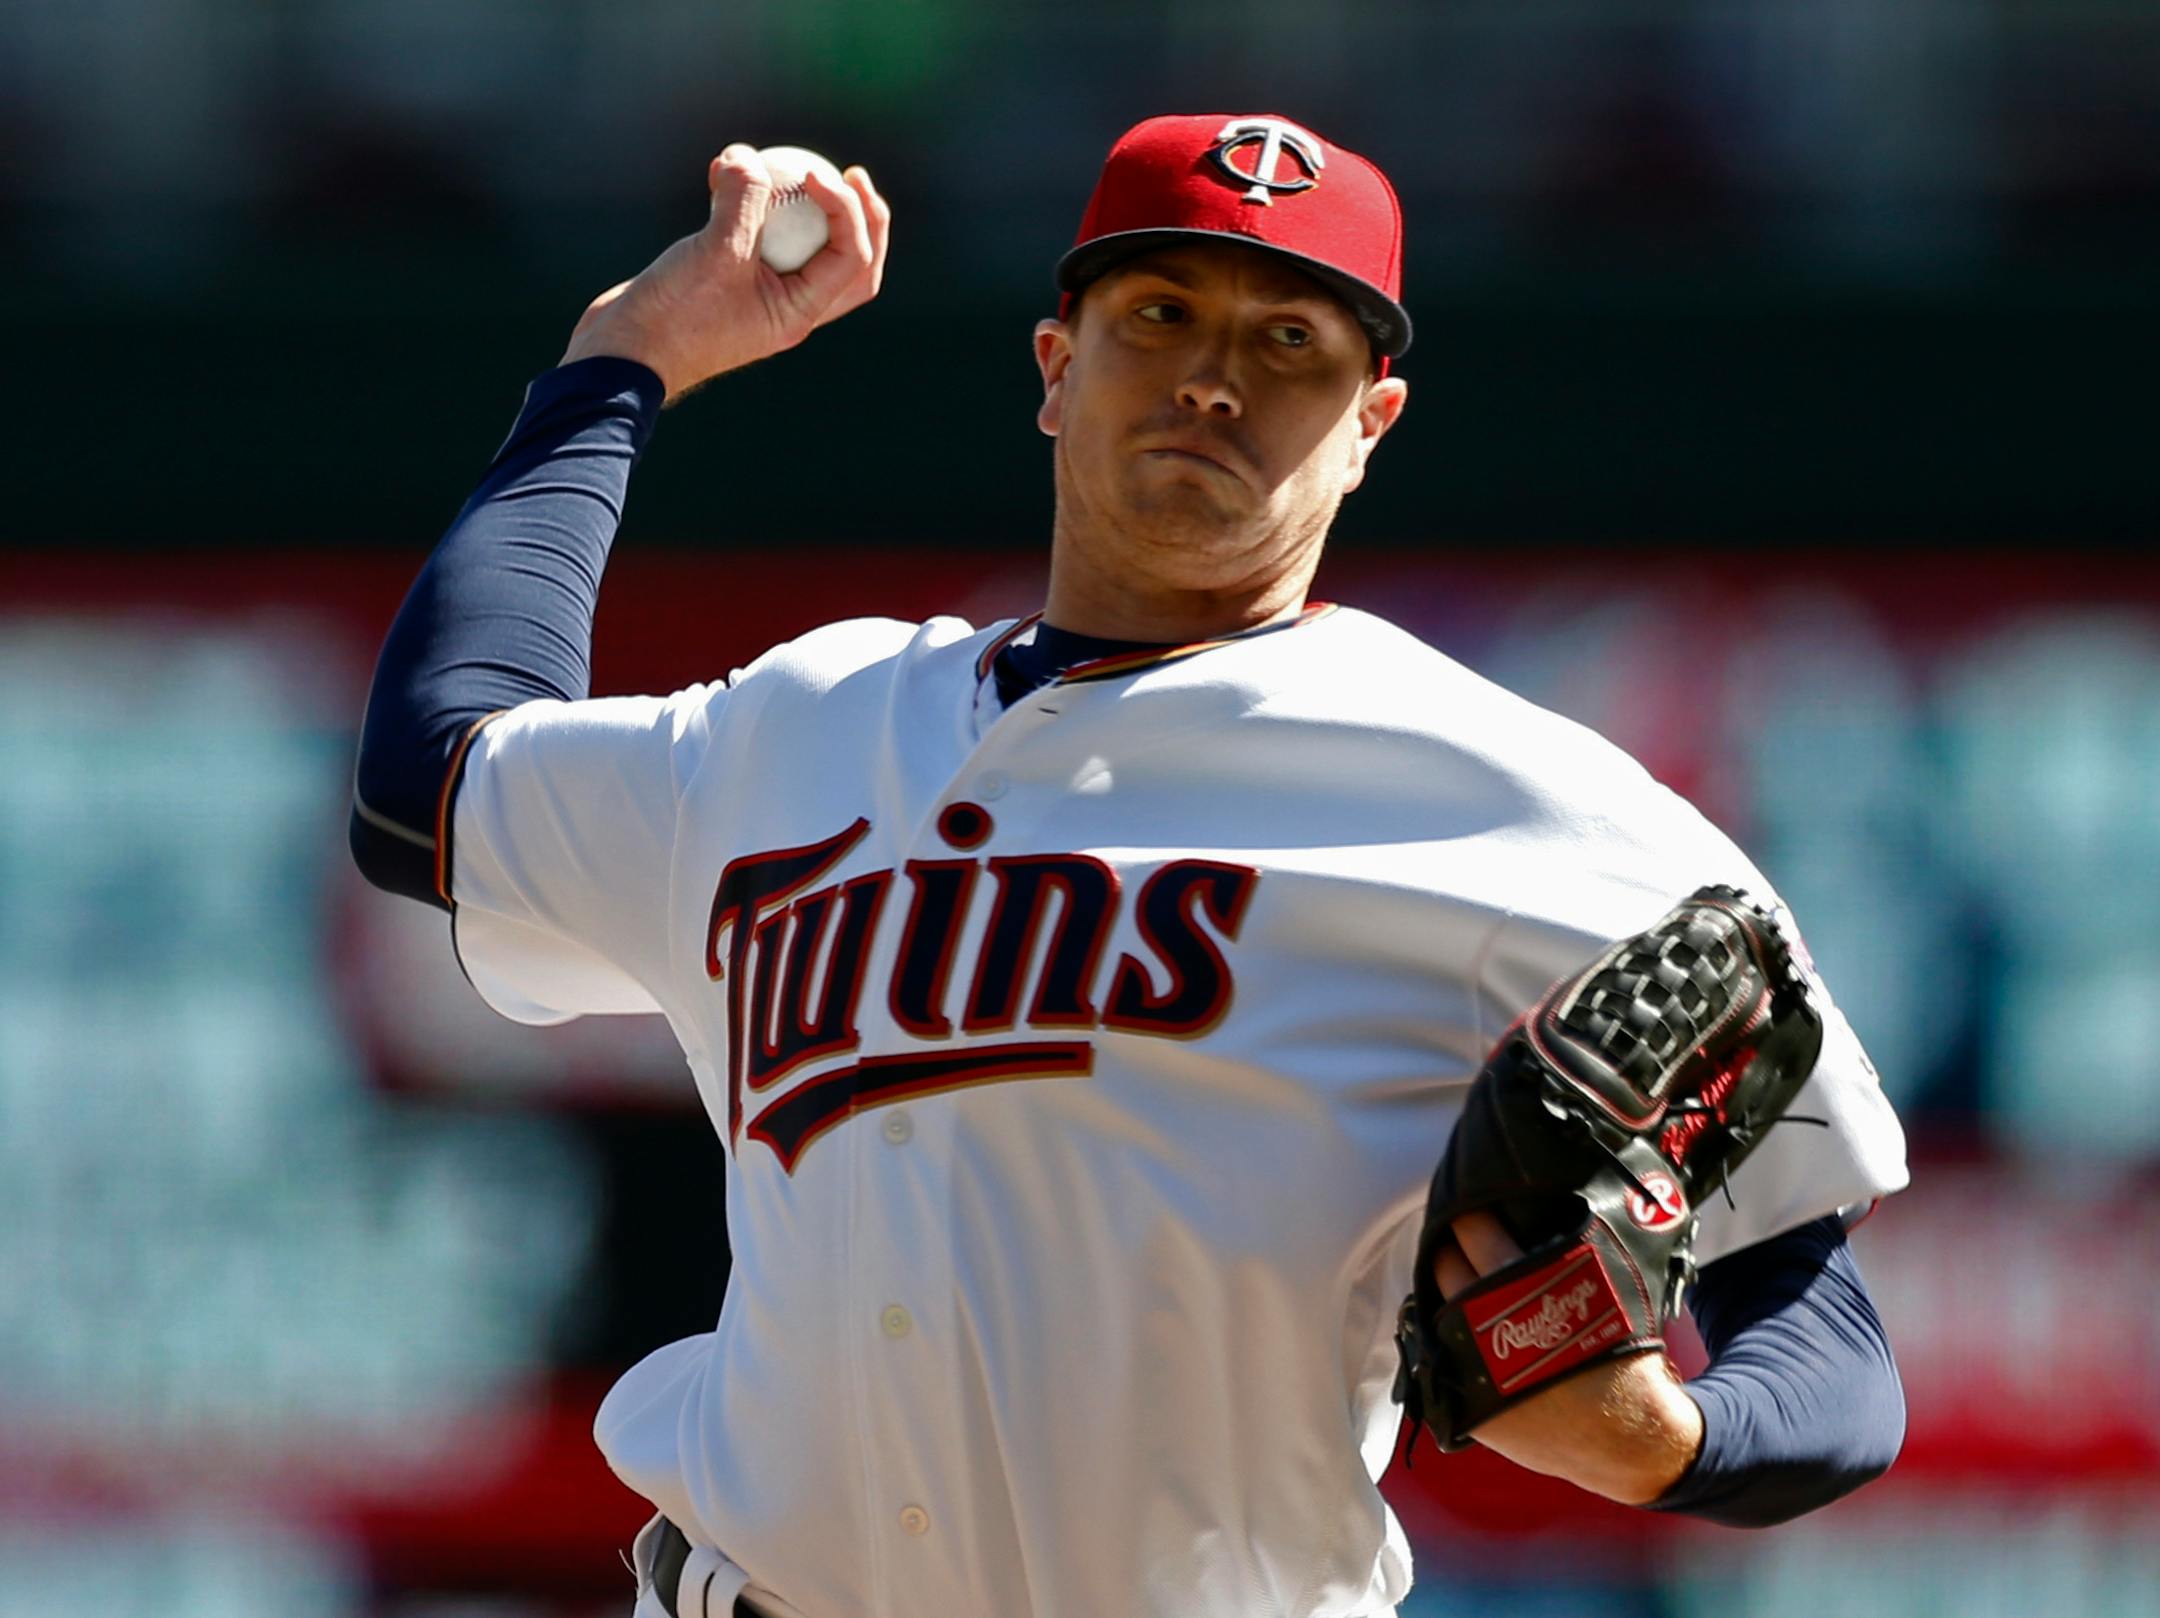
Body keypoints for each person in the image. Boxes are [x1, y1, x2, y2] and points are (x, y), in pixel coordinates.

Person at [351, 113, 1909, 1618]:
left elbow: (1828, 1342)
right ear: (1055, 369)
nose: (1215, 380)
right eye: (1159, 314)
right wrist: (625, 357)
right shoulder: (799, 728)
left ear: (1373, 425)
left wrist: (1675, 1440)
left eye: (1291, 341)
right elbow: (431, 786)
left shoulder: (1518, 804)